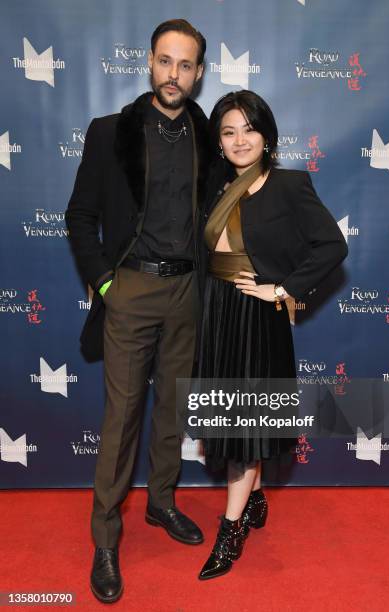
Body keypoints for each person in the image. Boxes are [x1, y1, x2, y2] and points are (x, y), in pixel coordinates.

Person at [65, 19, 219, 603]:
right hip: (128, 288)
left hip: (188, 292)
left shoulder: (211, 140)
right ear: (149, 63)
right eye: (165, 61)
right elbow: (79, 216)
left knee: (172, 410)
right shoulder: (110, 132)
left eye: (185, 65)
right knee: (122, 416)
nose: (173, 74)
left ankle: (160, 503)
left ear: (198, 73)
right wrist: (104, 284)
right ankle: (105, 538)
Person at [196, 90, 348, 580]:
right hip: (216, 314)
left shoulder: (289, 185)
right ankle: (256, 499)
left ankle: (230, 530)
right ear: (218, 142)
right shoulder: (214, 187)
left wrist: (282, 288)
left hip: (256, 319)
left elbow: (332, 245)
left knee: (242, 434)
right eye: (229, 131)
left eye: (249, 129)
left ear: (267, 136)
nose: (240, 140)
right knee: (231, 427)